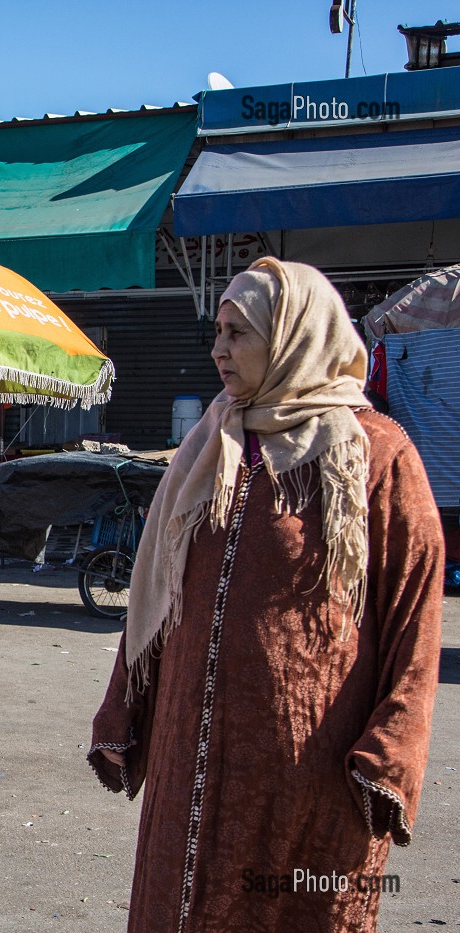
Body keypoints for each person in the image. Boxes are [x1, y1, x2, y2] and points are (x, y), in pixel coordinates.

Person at [88, 259, 443, 932]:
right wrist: (123, 708)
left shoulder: (375, 456)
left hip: (310, 775)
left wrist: (391, 753)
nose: (220, 348)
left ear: (293, 335)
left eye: (240, 332)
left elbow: (415, 624)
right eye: (217, 332)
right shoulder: (208, 445)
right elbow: (158, 598)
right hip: (186, 762)